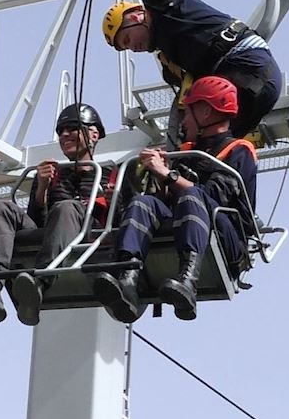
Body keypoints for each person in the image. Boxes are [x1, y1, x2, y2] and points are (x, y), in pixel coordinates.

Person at [93, 76, 257, 323]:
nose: (183, 121)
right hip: (190, 219)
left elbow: (214, 196)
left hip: (226, 235)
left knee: (192, 196)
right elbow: (166, 201)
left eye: (187, 113)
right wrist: (159, 176)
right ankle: (127, 277)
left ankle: (188, 280)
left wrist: (167, 173)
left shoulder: (239, 150)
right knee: (143, 203)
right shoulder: (188, 152)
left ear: (204, 112)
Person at [87, 0, 283, 142]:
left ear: (137, 16)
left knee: (200, 135)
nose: (133, 48)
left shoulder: (167, 8)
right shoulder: (170, 64)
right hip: (245, 83)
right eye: (126, 47)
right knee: (209, 145)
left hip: (247, 66)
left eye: (127, 39)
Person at [0, 103, 108, 326]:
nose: (64, 135)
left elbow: (116, 214)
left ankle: (40, 281)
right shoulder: (52, 173)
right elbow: (36, 219)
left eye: (72, 128)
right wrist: (42, 186)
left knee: (66, 207)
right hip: (54, 229)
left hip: (89, 233)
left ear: (94, 133)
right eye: (60, 131)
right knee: (1, 207)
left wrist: (93, 181)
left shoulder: (111, 172)